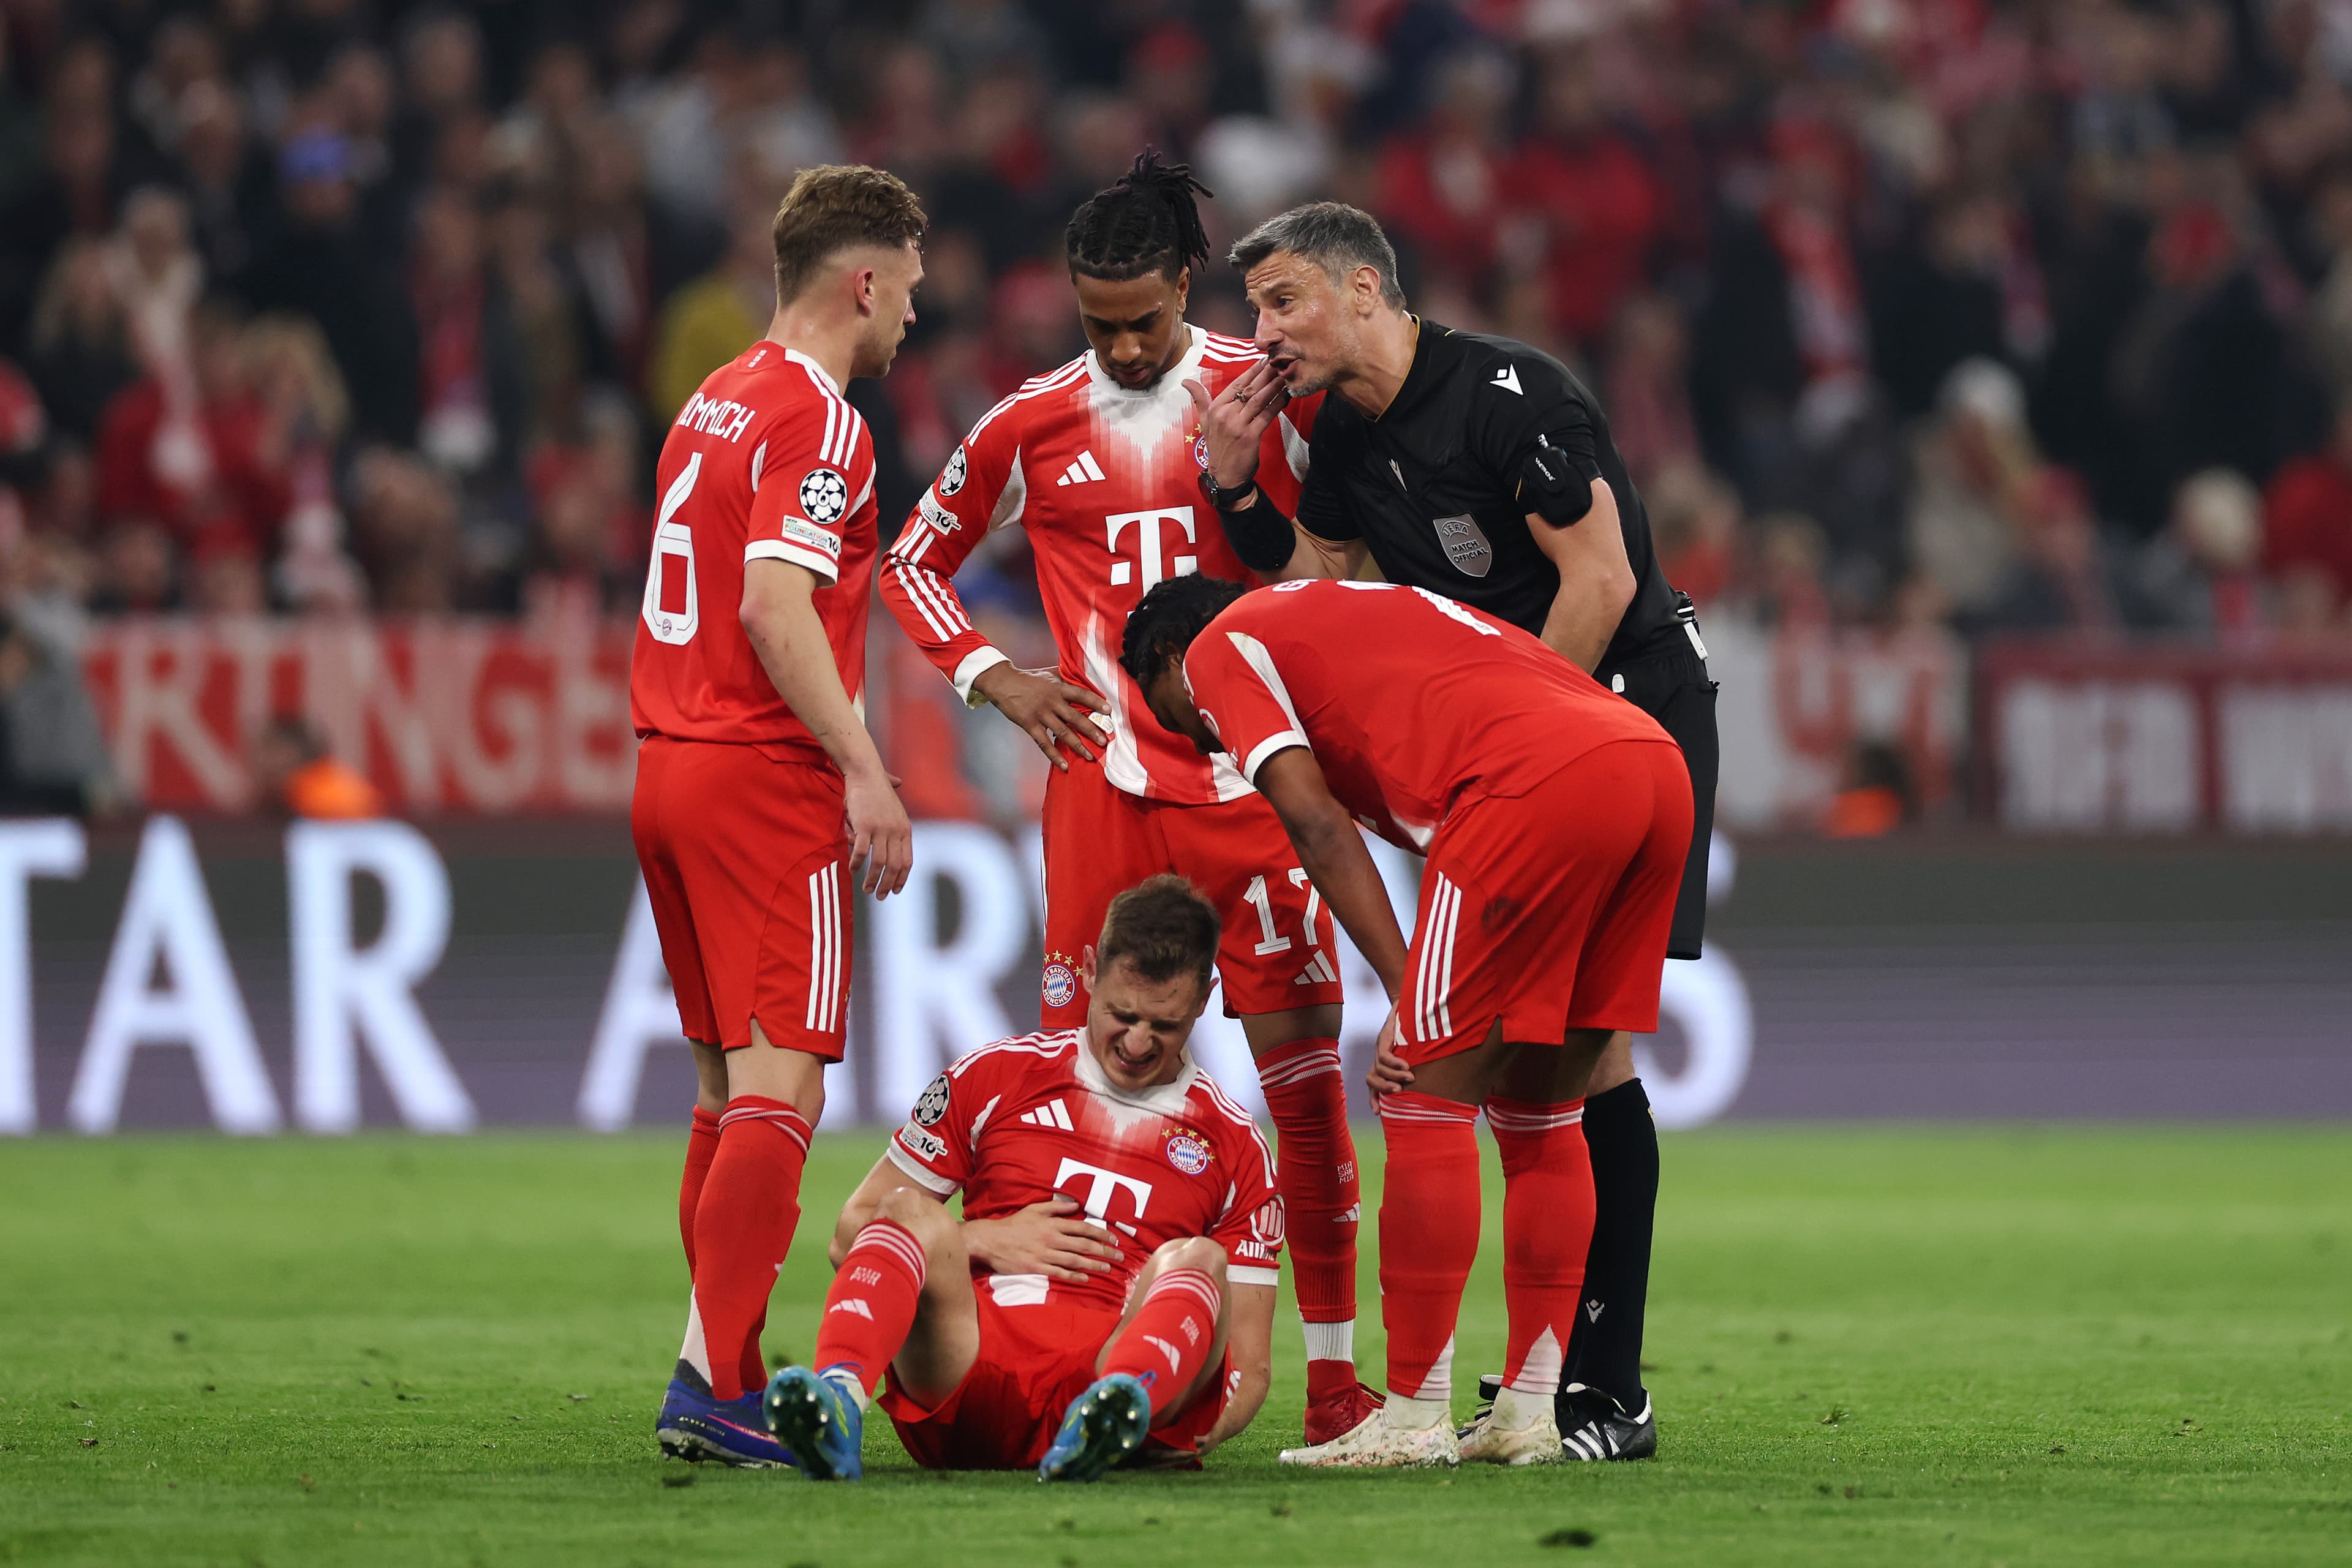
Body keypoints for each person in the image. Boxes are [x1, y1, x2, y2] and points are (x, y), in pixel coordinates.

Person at [1188, 200, 1717, 1460]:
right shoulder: (1336, 437)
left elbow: (1602, 582)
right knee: (1536, 1073)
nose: (1263, 333)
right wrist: (1230, 486)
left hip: (1615, 704)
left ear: (1367, 289)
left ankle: (1603, 1380)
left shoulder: (1512, 394)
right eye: (1254, 308)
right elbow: (1314, 603)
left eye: (1285, 302)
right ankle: (1546, 1392)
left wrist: (1512, 763)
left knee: (1583, 1063)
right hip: (1514, 754)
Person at [876, 153, 1376, 1442]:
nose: (1129, 346)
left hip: (1257, 785)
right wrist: (1000, 678)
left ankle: (1333, 1382)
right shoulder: (1026, 422)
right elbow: (912, 561)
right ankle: (1063, 1367)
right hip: (1103, 800)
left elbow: (1347, 550)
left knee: (1309, 1093)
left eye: (1147, 320)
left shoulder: (1264, 398)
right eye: (1103, 326)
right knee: (1083, 1093)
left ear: (1188, 288)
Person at [1121, 574, 1691, 1468]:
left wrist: (1407, 984)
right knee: (1545, 1113)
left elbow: (1315, 825)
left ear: (1168, 659)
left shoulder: (1218, 649)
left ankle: (1414, 1417)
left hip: (1533, 781)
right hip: (1651, 765)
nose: (1203, 739)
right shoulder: (1332, 606)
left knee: (1424, 1096)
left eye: (1179, 718)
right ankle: (1529, 1416)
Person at [631, 164, 925, 1467]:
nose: (915, 312)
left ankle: (722, 1371)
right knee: (782, 1086)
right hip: (761, 776)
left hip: (667, 760)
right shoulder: (823, 416)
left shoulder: (710, 400)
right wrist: (865, 763)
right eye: (910, 285)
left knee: (720, 1088)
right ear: (863, 280)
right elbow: (773, 602)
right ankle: (712, 1374)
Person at [761, 875, 1281, 1481]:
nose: (1137, 1042)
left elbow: (1247, 1361)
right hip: (964, 1369)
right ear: (1088, 971)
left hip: (1111, 1380)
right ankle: (836, 1406)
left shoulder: (1238, 1143)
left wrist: (1185, 1438)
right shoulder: (995, 1076)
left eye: (1164, 1026)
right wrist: (979, 1237)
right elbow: (848, 1232)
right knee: (905, 1208)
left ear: (1203, 999)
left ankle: (1116, 1413)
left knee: (1200, 1259)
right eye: (1122, 1013)